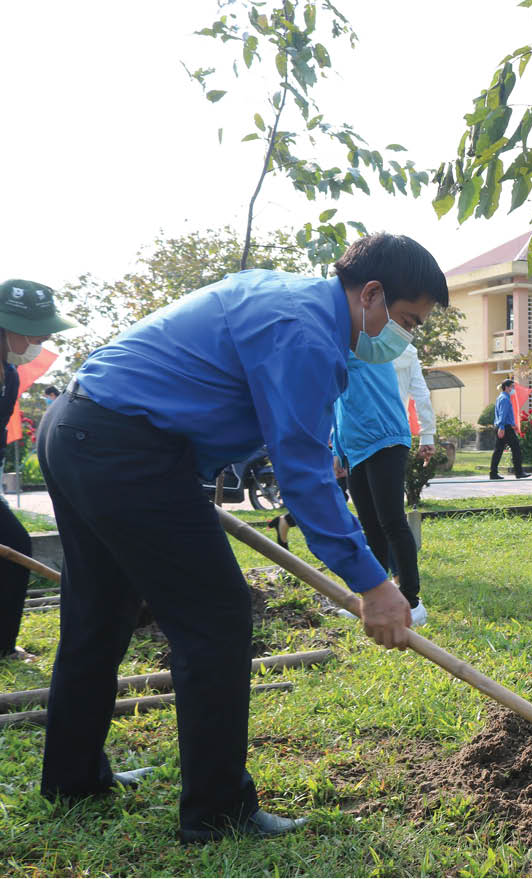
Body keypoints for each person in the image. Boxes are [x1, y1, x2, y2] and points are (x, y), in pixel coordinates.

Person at [37, 232, 446, 843]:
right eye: (407, 320)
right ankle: (218, 811)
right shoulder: (305, 330)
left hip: (79, 429)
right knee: (218, 617)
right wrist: (373, 585)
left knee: (101, 612)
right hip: (125, 447)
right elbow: (304, 476)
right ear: (372, 293)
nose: (403, 337)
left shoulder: (291, 302)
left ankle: (71, 778)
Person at [0, 281, 76, 663]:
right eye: (35, 330)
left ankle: (3, 646)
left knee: (14, 546)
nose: (44, 337)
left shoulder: (10, 376)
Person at [332, 342, 430, 627]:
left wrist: (429, 434)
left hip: (385, 440)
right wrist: (338, 449)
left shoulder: (369, 344)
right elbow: (341, 402)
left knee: (392, 522)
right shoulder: (342, 345)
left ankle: (412, 602)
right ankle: (374, 598)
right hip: (357, 447)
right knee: (371, 527)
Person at [488, 378, 528, 480]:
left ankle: (493, 473)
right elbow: (502, 414)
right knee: (516, 449)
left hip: (503, 427)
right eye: (512, 387)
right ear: (506, 387)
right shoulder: (505, 399)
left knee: (498, 451)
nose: (513, 389)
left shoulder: (501, 397)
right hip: (504, 428)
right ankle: (519, 473)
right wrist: (501, 428)